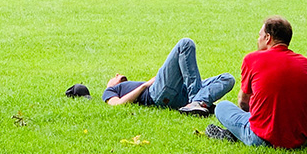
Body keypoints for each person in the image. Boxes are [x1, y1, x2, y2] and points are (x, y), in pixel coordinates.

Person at [206, 17, 307, 148]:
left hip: (262, 137)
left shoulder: (253, 59)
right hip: (301, 139)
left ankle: (236, 133)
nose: (258, 40)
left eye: (260, 36)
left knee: (222, 107)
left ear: (268, 38)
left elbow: (243, 102)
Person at [101, 38, 235, 115]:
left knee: (228, 79)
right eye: (114, 76)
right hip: (155, 93)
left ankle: (197, 101)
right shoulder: (110, 91)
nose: (117, 75)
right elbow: (117, 104)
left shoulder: (127, 86)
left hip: (181, 93)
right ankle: (196, 100)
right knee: (185, 44)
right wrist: (145, 85)